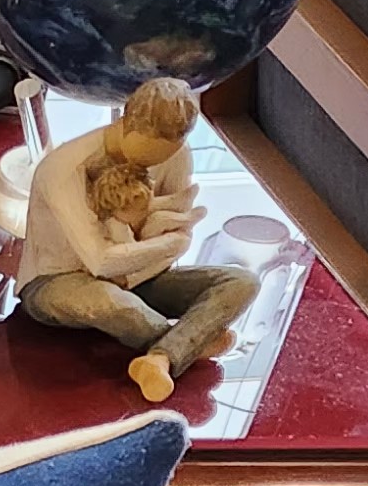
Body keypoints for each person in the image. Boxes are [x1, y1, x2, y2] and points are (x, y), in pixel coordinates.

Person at [20, 77, 254, 399]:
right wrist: (171, 244)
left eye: (161, 157)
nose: (148, 168)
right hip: (60, 278)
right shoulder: (64, 168)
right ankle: (187, 343)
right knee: (109, 300)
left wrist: (163, 241)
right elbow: (100, 261)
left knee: (241, 282)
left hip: (139, 275)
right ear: (127, 123)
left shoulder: (176, 153)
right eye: (146, 156)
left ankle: (159, 359)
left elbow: (176, 222)